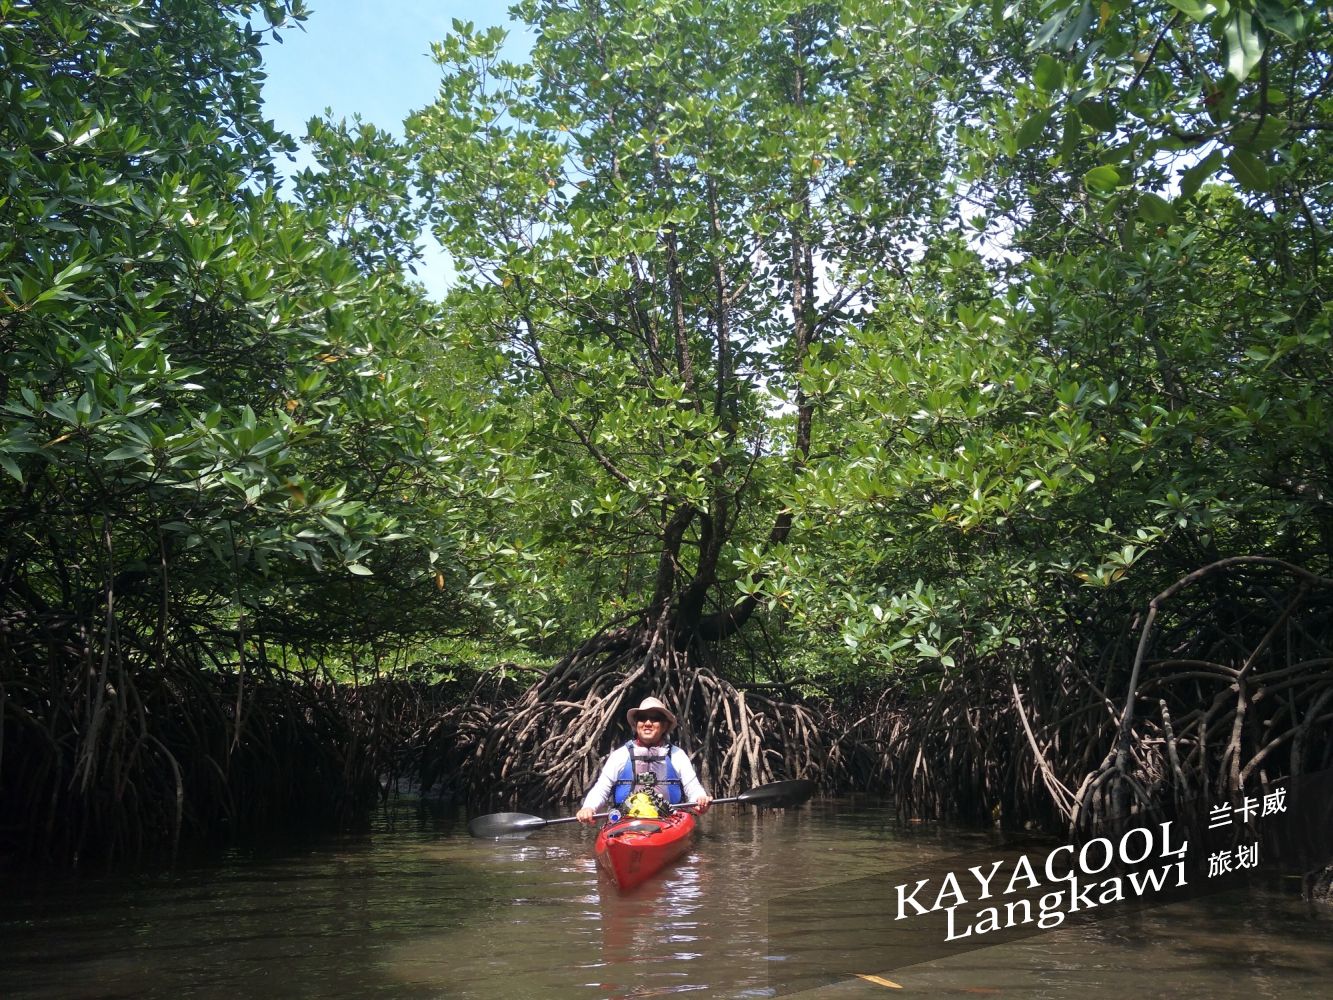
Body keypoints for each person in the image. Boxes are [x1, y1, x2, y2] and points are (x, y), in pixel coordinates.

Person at [576, 696, 711, 824]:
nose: (647, 723)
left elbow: (693, 788)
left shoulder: (677, 755)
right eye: (642, 718)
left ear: (664, 726)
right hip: (627, 820)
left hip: (669, 820)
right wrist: (589, 807)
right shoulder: (620, 755)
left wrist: (699, 800)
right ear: (636, 724)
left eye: (655, 719)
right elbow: (601, 788)